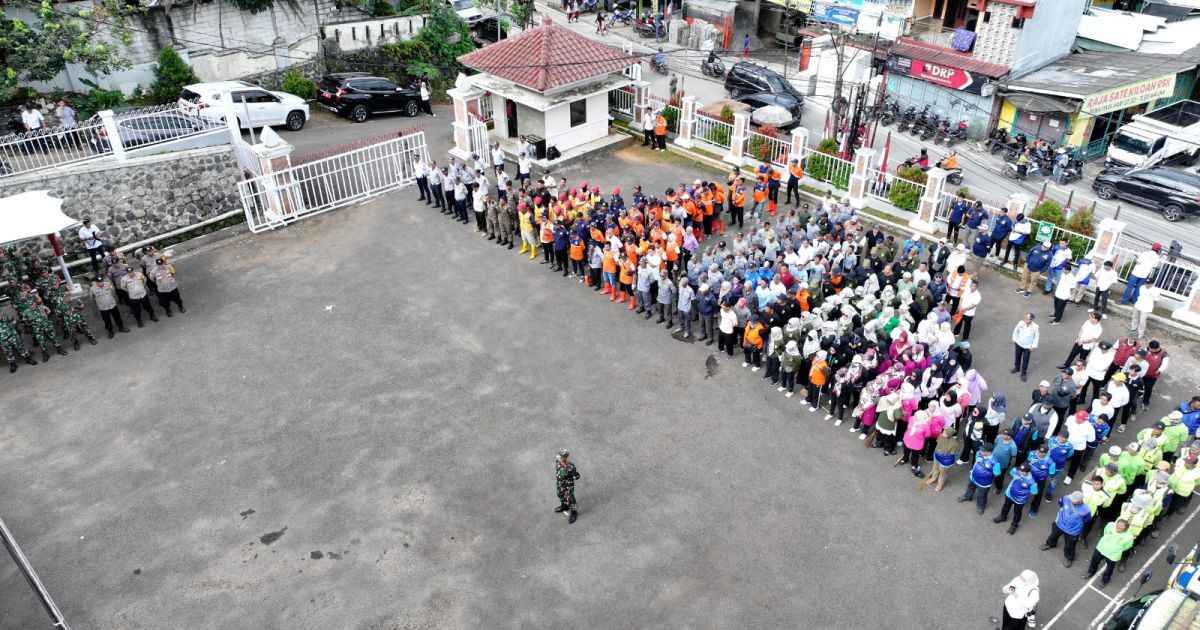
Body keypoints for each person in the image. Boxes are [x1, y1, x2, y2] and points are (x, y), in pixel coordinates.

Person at [1041, 491, 1090, 568]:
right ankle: (1050, 544)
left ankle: (1069, 557)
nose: (1071, 500)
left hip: (1072, 531)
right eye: (1072, 498)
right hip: (1060, 523)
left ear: (1080, 500)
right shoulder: (1066, 498)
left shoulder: (1086, 510)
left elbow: (1087, 520)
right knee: (1053, 535)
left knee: (1070, 545)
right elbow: (1060, 503)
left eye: (1074, 500)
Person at [1085, 519, 1134, 586]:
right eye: (1117, 526)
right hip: (1100, 548)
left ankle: (1105, 580)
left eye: (1121, 528)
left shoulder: (1129, 537)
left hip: (1113, 555)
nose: (1118, 528)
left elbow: (1127, 547)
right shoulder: (1110, 525)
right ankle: (1090, 572)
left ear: (1125, 529)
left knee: (1109, 569)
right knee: (1094, 562)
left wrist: (1115, 549)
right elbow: (1105, 532)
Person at [995, 462, 1037, 534]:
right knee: (1005, 506)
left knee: (1017, 513)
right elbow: (1011, 472)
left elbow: (1034, 492)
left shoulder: (1031, 481)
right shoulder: (1017, 472)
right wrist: (1016, 471)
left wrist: (1026, 492)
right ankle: (1003, 516)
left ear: (1028, 472)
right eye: (1020, 470)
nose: (1020, 472)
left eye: (1022, 471)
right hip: (1009, 495)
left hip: (1020, 500)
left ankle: (1014, 525)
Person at [554, 449, 581, 524]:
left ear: (564, 457)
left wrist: (570, 475)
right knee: (560, 494)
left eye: (560, 456)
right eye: (559, 456)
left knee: (570, 499)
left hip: (568, 485)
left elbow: (577, 476)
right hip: (560, 483)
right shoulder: (558, 461)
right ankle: (564, 506)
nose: (558, 457)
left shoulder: (570, 467)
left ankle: (574, 512)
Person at [1011, 312, 1038, 382]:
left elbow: (1036, 337)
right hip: (1019, 344)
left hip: (1028, 346)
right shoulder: (1020, 323)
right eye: (1025, 318)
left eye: (1028, 319)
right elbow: (1015, 331)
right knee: (1017, 356)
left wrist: (1034, 346)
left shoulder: (1035, 327)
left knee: (1025, 360)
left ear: (1032, 320)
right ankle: (1017, 368)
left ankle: (1023, 373)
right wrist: (1014, 339)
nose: (1026, 320)